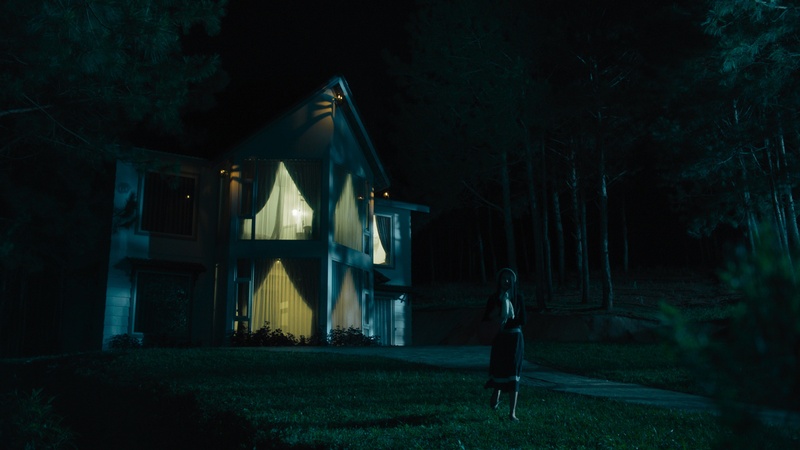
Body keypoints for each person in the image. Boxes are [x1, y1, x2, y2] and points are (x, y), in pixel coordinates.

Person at [482, 267, 526, 421]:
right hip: (500, 338)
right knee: (500, 368)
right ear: (499, 281)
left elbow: (522, 320)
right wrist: (498, 311)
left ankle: (512, 413)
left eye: (509, 279)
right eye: (503, 278)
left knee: (514, 371)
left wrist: (507, 318)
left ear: (514, 281)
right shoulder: (494, 298)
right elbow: (486, 318)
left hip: (515, 338)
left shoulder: (518, 297)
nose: (506, 281)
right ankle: (497, 391)